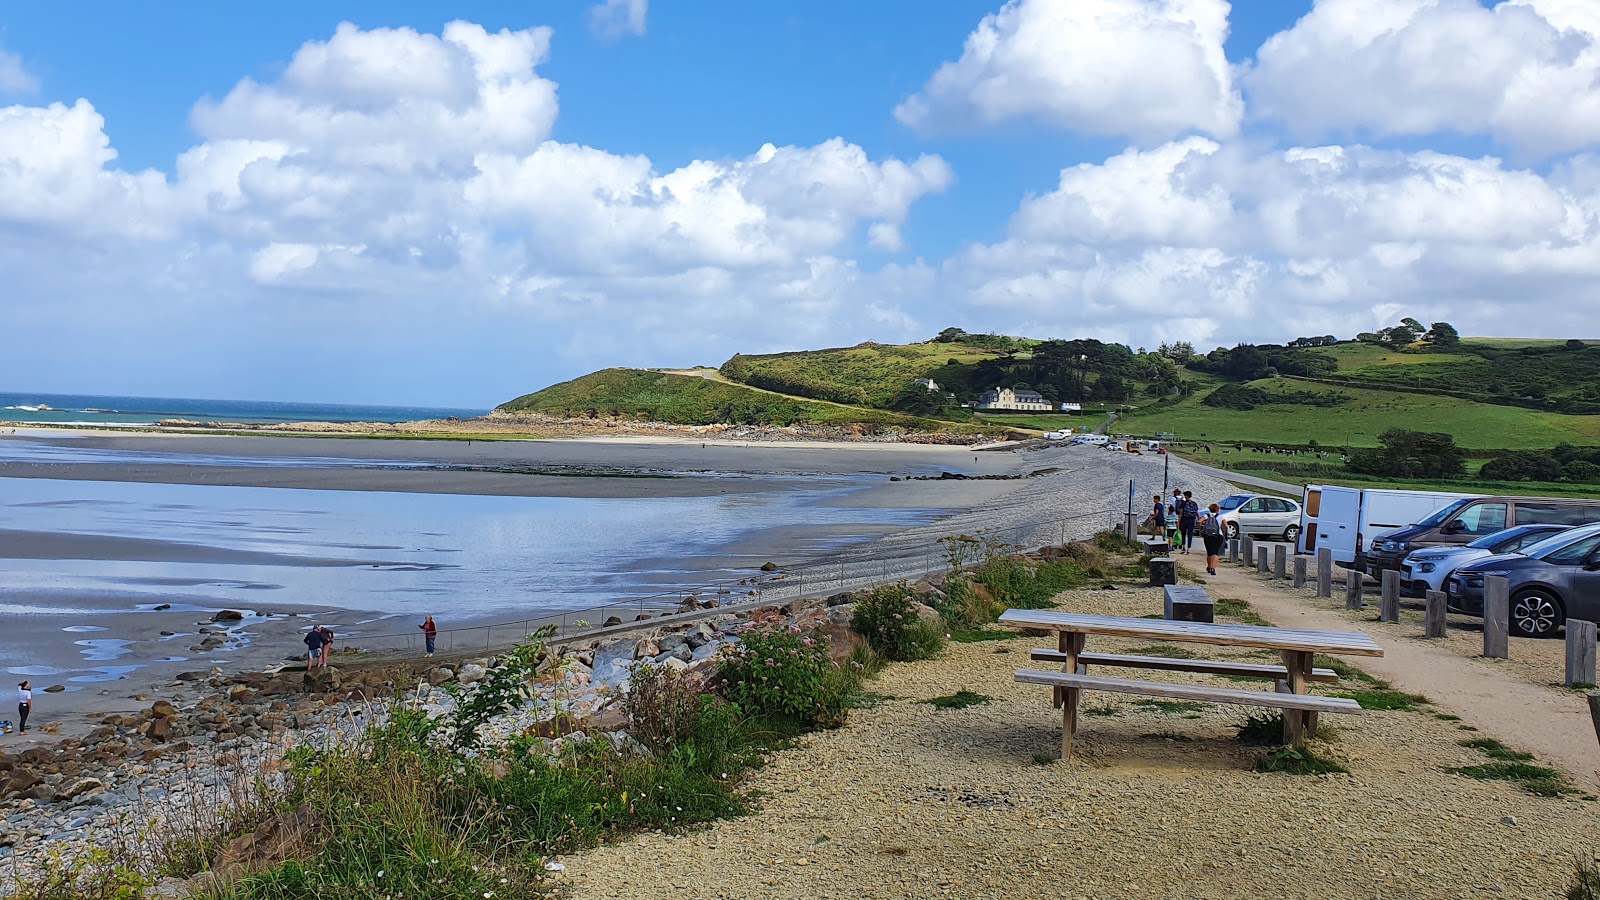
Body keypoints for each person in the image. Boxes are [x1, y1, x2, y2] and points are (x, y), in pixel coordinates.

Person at [1199, 502, 1226, 575]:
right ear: (1218, 510)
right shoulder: (1220, 517)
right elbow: (1226, 526)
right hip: (1218, 536)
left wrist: (1201, 530)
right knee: (1215, 552)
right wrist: (1224, 532)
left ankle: (1209, 566)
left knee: (1209, 552)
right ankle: (1213, 568)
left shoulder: (1206, 515)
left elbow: (1199, 521)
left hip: (1207, 536)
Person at [1178, 490, 1200, 555]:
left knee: (1183, 534)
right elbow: (1197, 512)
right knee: (1190, 535)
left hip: (1184, 520)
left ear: (1186, 496)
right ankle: (1189, 549)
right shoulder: (1194, 503)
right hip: (1192, 520)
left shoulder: (1183, 503)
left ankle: (1183, 548)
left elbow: (1181, 513)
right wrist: (1199, 519)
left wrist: (1178, 521)